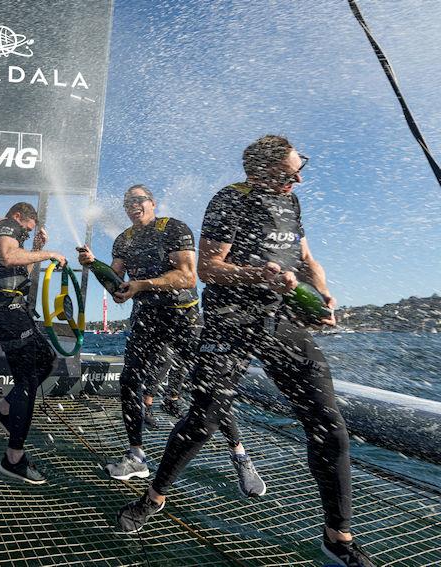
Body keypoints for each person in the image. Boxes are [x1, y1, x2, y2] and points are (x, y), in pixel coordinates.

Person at [116, 136, 374, 567]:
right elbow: (210, 268)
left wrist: (323, 294)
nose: (298, 178)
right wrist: (260, 274)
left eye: (299, 169)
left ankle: (338, 539)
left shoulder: (291, 203)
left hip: (282, 319)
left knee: (328, 425)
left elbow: (307, 259)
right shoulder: (228, 201)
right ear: (263, 170)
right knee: (203, 419)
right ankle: (154, 497)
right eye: (291, 172)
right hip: (231, 322)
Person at [78, 185, 264, 497]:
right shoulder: (123, 239)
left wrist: (141, 284)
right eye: (127, 201)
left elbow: (189, 276)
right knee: (128, 382)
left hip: (184, 318)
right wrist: (94, 265)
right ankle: (136, 455)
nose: (132, 205)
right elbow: (117, 288)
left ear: (152, 203)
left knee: (209, 388)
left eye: (138, 200)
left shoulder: (173, 228)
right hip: (146, 319)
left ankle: (240, 455)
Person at [0, 203, 66, 484]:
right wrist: (49, 252)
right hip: (6, 309)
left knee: (45, 360)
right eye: (27, 230)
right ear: (18, 217)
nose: (24, 235)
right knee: (28, 377)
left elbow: (15, 260)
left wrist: (35, 248)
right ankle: (13, 458)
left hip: (8, 307)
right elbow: (8, 256)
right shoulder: (7, 225)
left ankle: (3, 409)